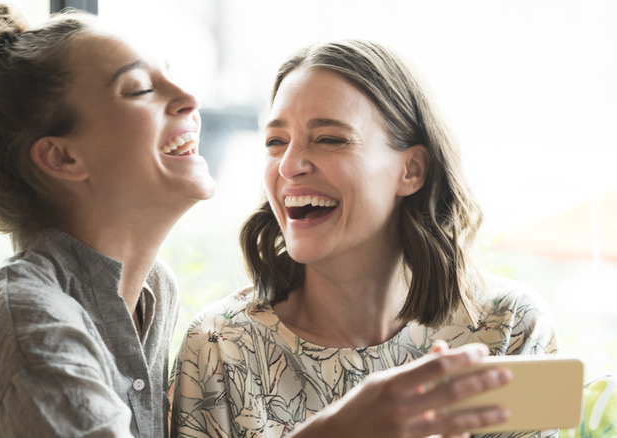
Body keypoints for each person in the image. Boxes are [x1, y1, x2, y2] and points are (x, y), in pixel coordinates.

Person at [169, 39, 558, 437]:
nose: (288, 165)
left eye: (329, 139)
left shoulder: (508, 326)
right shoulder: (219, 345)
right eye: (275, 142)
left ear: (411, 170)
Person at [0, 4, 214, 437]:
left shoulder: (154, 293)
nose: (189, 97)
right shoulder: (29, 329)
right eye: (138, 89)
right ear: (63, 157)